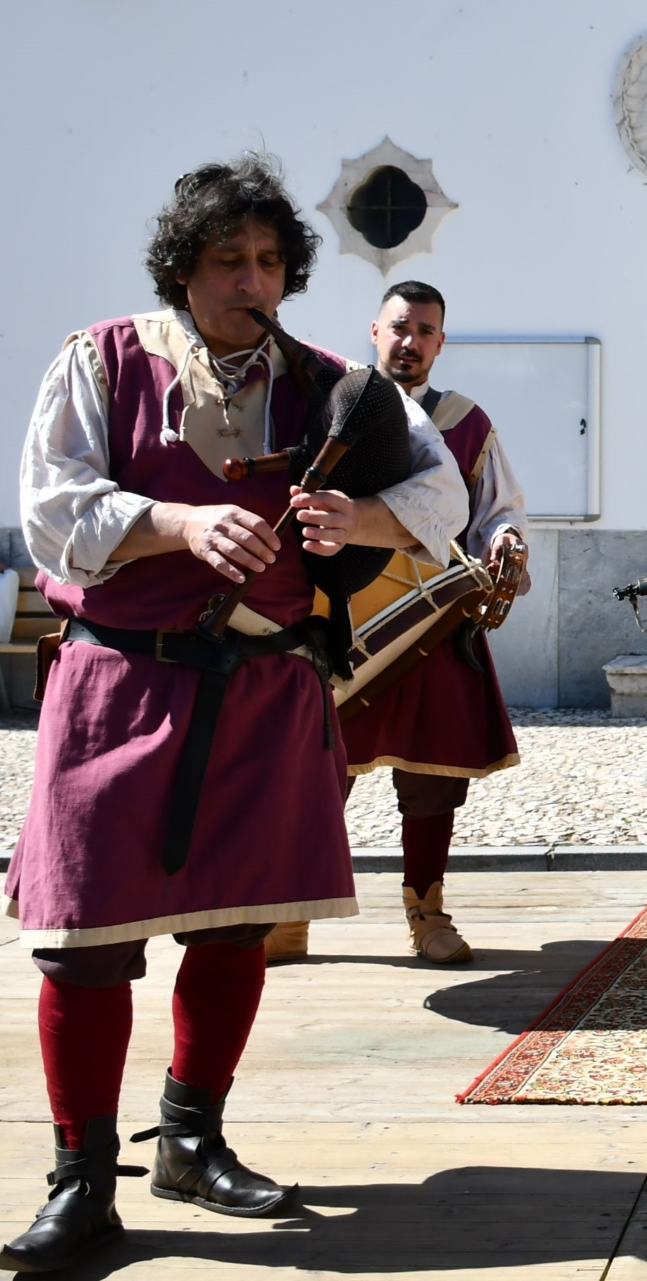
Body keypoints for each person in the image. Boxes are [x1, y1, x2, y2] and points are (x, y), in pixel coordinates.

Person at [0, 155, 466, 1272]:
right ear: (184, 269)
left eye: (267, 261)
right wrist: (174, 523)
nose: (251, 281)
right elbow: (52, 510)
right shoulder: (100, 361)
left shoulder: (335, 386)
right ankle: (80, 1184)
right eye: (227, 262)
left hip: (266, 687)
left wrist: (360, 520)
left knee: (236, 926)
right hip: (120, 683)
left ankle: (193, 1140)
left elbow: (442, 496)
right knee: (83, 945)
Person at [263, 281, 526, 967]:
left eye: (426, 331)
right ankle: (289, 914)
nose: (410, 342)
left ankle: (427, 912)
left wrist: (502, 542)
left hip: (433, 622)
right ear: (374, 331)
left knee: (433, 777)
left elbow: (496, 509)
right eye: (400, 327)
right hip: (335, 620)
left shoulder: (467, 421)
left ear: (440, 342)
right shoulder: (330, 404)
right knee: (318, 770)